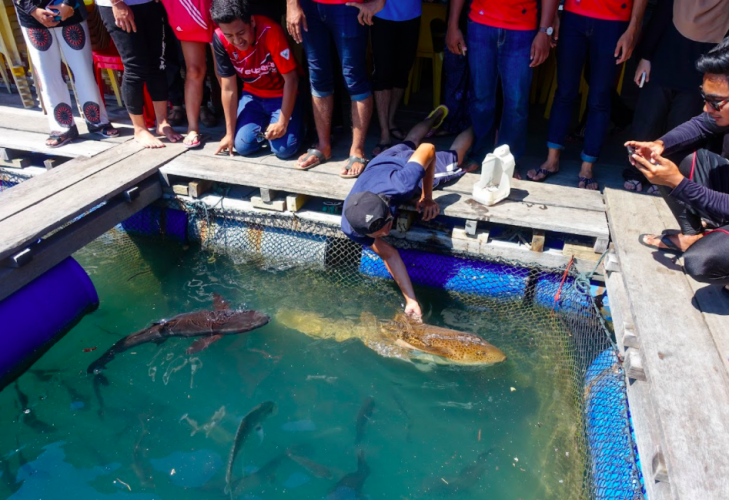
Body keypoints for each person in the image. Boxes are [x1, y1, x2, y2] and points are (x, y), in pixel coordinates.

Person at [342, 109, 476, 319]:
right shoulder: (352, 224)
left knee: (454, 158)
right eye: (376, 235)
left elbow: (428, 148)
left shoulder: (402, 185)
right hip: (381, 162)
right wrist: (411, 300)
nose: (385, 234)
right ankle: (432, 118)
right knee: (410, 139)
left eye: (386, 227)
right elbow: (389, 254)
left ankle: (477, 123)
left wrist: (427, 196)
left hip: (401, 166)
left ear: (388, 209)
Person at [627, 37, 729, 290]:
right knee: (663, 156)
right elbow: (699, 124)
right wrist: (659, 145)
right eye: (704, 97)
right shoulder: (716, 113)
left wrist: (678, 183)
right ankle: (692, 234)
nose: (707, 108)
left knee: (700, 263)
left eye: (715, 102)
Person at [528, 0, 648, 189]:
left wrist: (633, 29)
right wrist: (556, 13)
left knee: (600, 97)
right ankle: (552, 159)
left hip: (614, 21)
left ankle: (588, 165)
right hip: (573, 16)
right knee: (565, 91)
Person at [623, 0, 729, 194]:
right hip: (663, 62)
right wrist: (645, 58)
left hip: (701, 74)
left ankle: (663, 178)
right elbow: (658, 22)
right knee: (648, 119)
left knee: (682, 122)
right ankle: (636, 172)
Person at [446, 0, 559, 172]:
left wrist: (544, 31)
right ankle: (480, 153)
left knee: (516, 101)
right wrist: (452, 25)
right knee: (481, 97)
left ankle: (508, 161)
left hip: (522, 29)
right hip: (480, 24)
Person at [286, 0, 378, 177]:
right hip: (309, 6)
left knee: (354, 78)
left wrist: (378, 2)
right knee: (317, 75)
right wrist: (291, 4)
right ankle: (323, 146)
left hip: (349, 6)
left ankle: (357, 151)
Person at [14, 0, 118, 147]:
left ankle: (97, 121)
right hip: (32, 17)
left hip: (70, 12)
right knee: (47, 75)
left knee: (84, 70)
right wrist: (32, 10)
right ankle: (62, 127)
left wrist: (67, 4)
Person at [211, 0, 304, 159]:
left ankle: (301, 124)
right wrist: (229, 134)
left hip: (281, 94)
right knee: (242, 147)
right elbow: (228, 88)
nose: (237, 41)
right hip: (252, 96)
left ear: (252, 21)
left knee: (283, 150)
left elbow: (292, 79)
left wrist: (282, 122)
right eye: (229, 35)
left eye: (241, 33)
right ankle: (268, 124)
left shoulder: (271, 30)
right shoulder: (219, 38)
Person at [97, 0, 183, 148]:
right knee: (135, 67)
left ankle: (162, 123)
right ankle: (139, 129)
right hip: (119, 5)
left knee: (158, 64)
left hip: (150, 4)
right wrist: (117, 3)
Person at [159, 0, 214, 148]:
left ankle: (231, 129)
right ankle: (193, 127)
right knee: (194, 70)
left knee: (224, 70)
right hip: (186, 5)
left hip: (221, 6)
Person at [370, 0, 421, 157]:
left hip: (412, 14)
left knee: (402, 71)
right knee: (382, 73)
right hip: (381, 14)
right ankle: (384, 133)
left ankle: (391, 122)